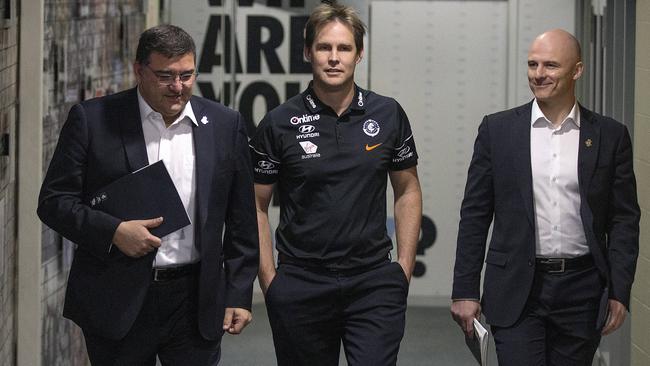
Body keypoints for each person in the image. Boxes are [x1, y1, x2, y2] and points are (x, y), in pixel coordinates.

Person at [37, 25, 259, 366]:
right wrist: (113, 232)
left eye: (187, 75)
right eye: (165, 76)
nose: (177, 87)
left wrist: (239, 293)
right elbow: (54, 202)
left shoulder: (225, 124)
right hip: (117, 298)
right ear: (139, 70)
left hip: (195, 300)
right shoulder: (93, 120)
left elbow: (241, 218)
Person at [451, 29, 640, 365]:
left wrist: (619, 290)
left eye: (551, 65)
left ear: (577, 70)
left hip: (582, 290)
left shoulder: (609, 136)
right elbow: (476, 214)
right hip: (516, 288)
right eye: (533, 64)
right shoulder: (498, 131)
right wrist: (465, 288)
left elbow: (624, 219)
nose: (539, 74)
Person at [249, 2, 422, 365]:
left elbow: (407, 190)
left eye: (344, 48)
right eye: (324, 47)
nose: (333, 57)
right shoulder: (279, 122)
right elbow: (256, 205)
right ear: (307, 52)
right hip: (301, 284)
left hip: (374, 283)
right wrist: (270, 280)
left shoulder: (388, 114)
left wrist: (402, 270)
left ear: (359, 54)